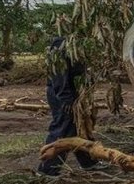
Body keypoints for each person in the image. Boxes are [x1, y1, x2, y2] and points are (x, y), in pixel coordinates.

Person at [36, 37, 102, 176]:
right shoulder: (62, 45)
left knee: (77, 127)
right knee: (62, 128)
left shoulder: (78, 42)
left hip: (71, 92)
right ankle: (47, 170)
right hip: (62, 92)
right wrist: (66, 99)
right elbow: (59, 75)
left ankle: (89, 162)